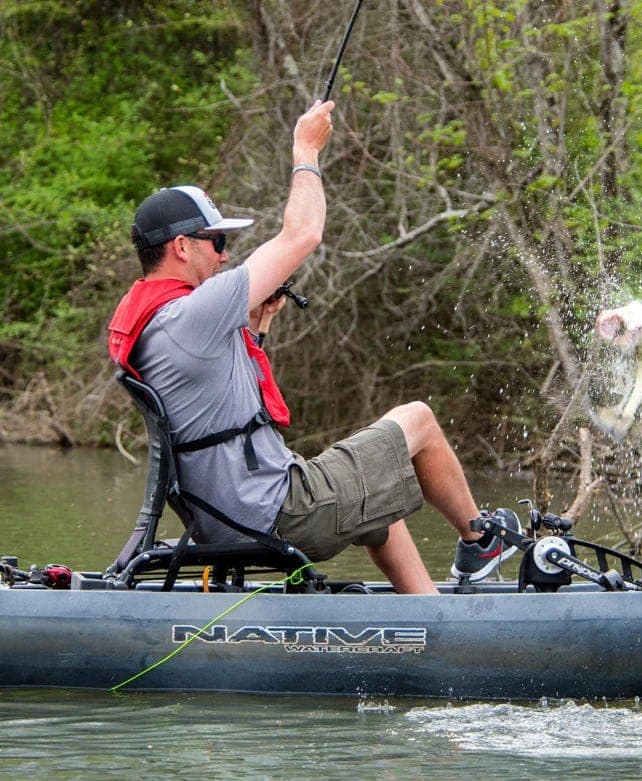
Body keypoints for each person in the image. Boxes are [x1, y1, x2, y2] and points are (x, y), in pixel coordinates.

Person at [108, 99, 521, 594]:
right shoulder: (196, 312)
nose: (226, 254)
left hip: (223, 517)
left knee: (376, 497)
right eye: (217, 242)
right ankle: (480, 545)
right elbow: (303, 233)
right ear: (181, 247)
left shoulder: (158, 322)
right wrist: (306, 150)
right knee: (418, 420)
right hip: (274, 511)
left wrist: (256, 330)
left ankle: (426, 616)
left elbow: (210, 403)